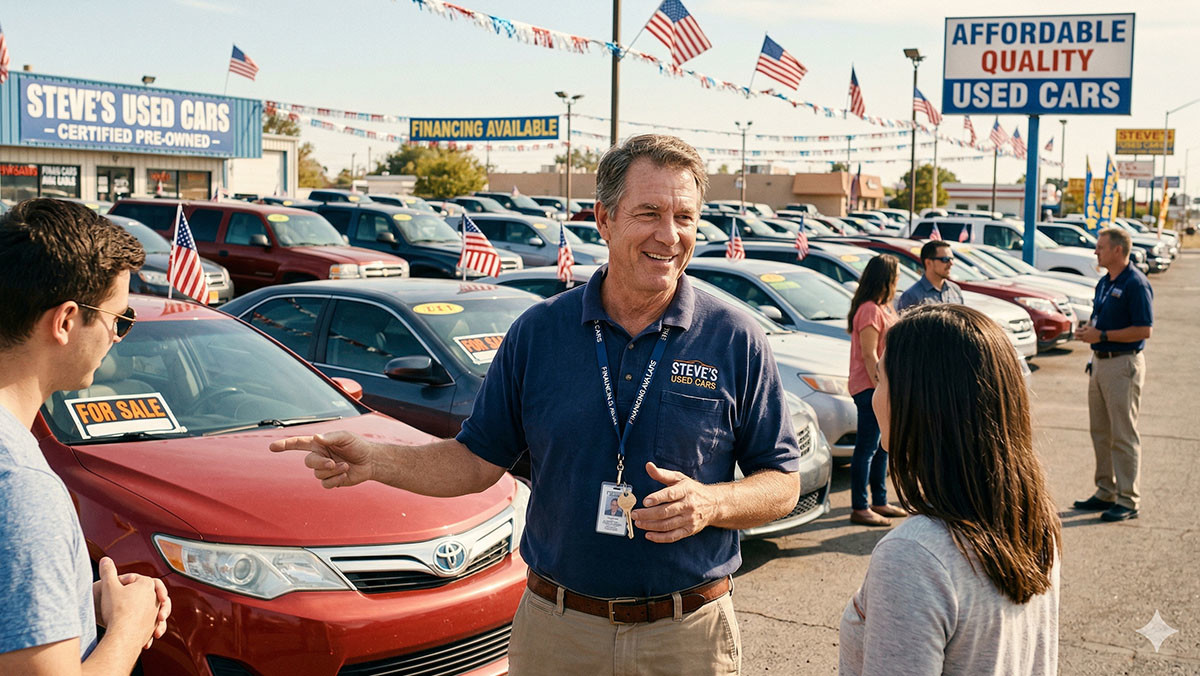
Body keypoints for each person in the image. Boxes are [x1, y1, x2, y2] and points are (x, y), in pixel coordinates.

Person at [272, 134, 801, 675]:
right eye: (649, 213)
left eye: (685, 217)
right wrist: (375, 461)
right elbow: (476, 462)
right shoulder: (538, 332)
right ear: (605, 218)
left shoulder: (734, 336)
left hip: (688, 636)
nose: (669, 235)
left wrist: (712, 503)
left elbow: (782, 481)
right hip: (560, 633)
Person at [840, 304, 1061, 675]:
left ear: (919, 401)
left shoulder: (914, 555)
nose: (876, 395)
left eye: (882, 379)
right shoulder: (1035, 523)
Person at [0, 199, 171, 674]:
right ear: (66, 321)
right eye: (119, 318)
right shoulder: (20, 487)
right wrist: (129, 629)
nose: (119, 335)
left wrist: (75, 599)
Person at [1073, 227, 1153, 522]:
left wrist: (1102, 333)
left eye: (1101, 247)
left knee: (1123, 434)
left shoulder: (1135, 283)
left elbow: (1145, 329)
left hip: (1123, 365)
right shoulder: (1105, 282)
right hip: (1100, 362)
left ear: (1118, 250)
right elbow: (1100, 319)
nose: (1096, 251)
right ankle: (1105, 490)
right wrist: (1090, 333)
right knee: (1101, 432)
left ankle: (1128, 499)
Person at [845, 254, 905, 527]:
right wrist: (881, 388)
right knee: (867, 448)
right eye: (896, 274)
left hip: (884, 386)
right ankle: (860, 507)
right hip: (870, 387)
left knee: (883, 448)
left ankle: (880, 501)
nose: (899, 278)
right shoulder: (869, 309)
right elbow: (870, 354)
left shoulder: (886, 307)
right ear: (885, 277)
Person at [895, 240, 964, 311]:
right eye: (945, 259)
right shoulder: (912, 296)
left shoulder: (955, 290)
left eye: (952, 259)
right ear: (928, 262)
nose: (951, 263)